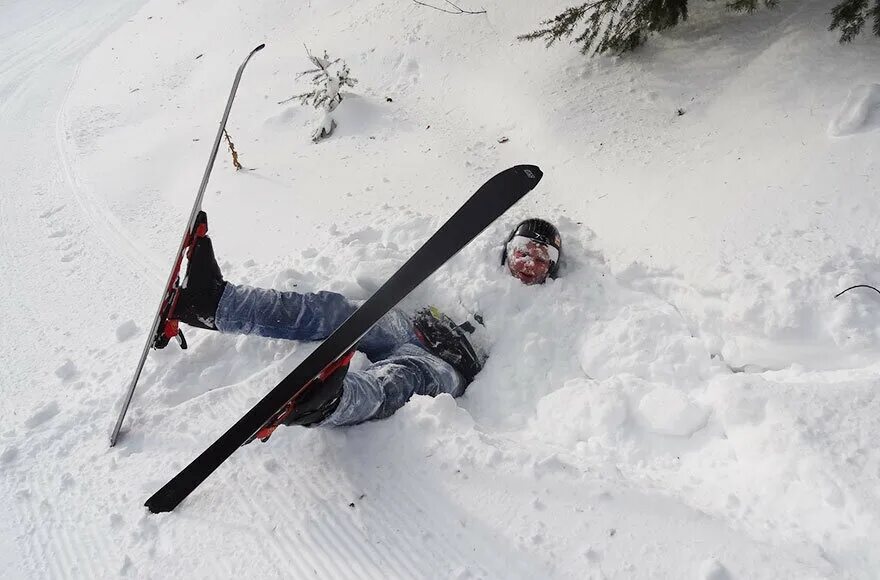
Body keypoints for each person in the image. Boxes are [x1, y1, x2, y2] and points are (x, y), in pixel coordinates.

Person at [174, 218, 563, 435]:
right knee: (336, 311)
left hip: (448, 369)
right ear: (507, 250)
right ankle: (214, 303)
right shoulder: (472, 275)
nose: (529, 261)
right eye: (522, 250)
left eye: (541, 257)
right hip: (413, 326)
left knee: (399, 379)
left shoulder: (546, 315)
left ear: (553, 267)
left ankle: (331, 402)